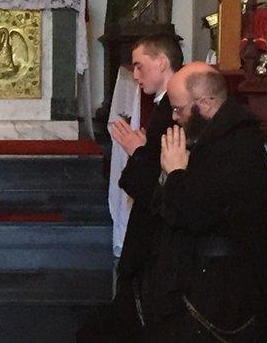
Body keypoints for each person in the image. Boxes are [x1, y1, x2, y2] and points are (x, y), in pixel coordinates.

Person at [143, 62, 267, 341]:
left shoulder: (237, 143)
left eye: (179, 109)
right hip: (201, 270)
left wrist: (175, 173)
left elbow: (198, 214)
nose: (175, 117)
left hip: (222, 285)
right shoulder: (208, 135)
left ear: (205, 103)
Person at [78, 34, 182, 341]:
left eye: (140, 66)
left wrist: (138, 151)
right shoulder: (164, 108)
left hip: (155, 236)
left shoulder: (173, 111)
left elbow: (155, 183)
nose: (135, 75)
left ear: (162, 63)